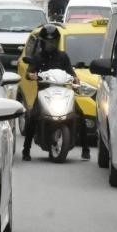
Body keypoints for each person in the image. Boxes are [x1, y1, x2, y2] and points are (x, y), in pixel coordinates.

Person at [21, 23, 89, 162]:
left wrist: (75, 79)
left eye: (53, 42)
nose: (50, 44)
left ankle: (85, 149)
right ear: (43, 43)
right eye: (48, 42)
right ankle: (26, 150)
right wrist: (32, 75)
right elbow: (29, 72)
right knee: (33, 116)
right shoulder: (38, 57)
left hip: (62, 92)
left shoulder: (63, 57)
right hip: (44, 93)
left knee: (80, 115)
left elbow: (71, 72)